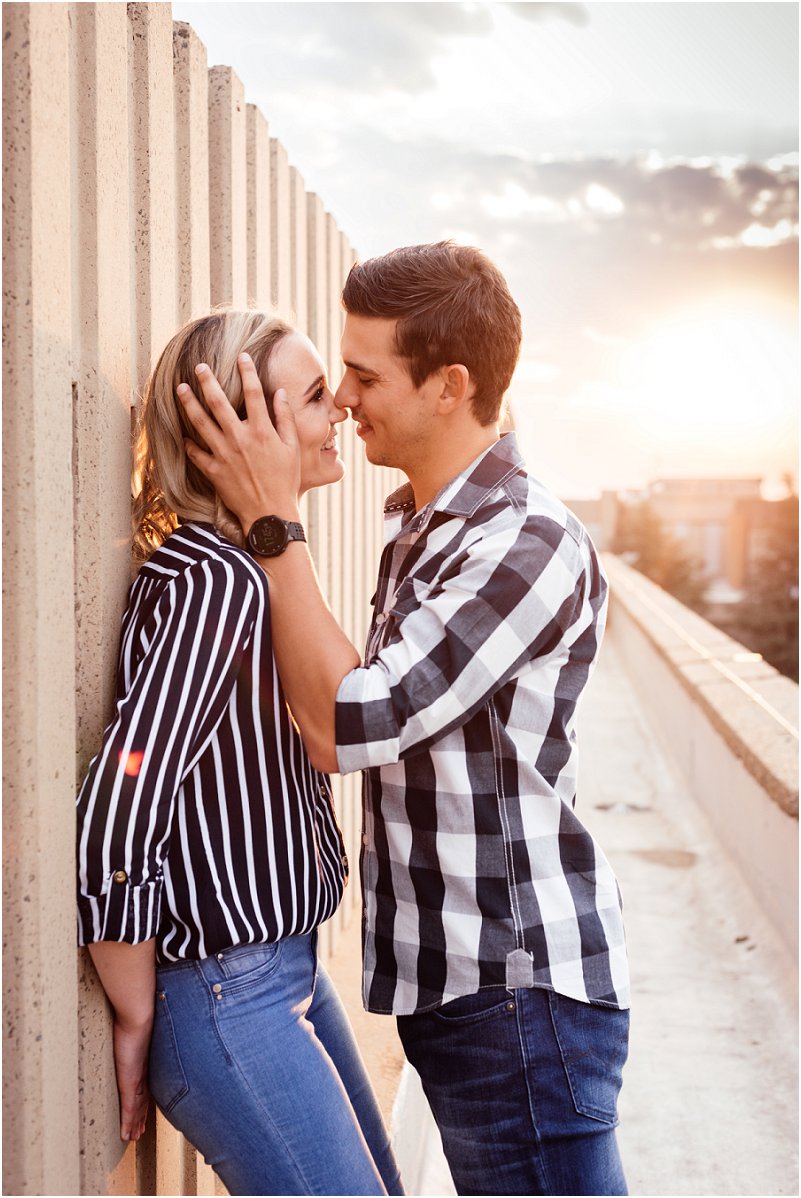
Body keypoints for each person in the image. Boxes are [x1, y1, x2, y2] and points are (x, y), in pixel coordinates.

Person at [179, 242, 631, 1197]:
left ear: (449, 386)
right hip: (464, 993)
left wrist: (272, 521)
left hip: (515, 994)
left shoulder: (524, 540)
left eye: (365, 374)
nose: (344, 399)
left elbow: (346, 725)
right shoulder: (419, 526)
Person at [75, 310, 403, 1198]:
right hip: (227, 995)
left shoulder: (249, 566)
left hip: (283, 970)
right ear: (237, 426)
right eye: (313, 395)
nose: (339, 407)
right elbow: (123, 794)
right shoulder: (217, 581)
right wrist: (136, 1010)